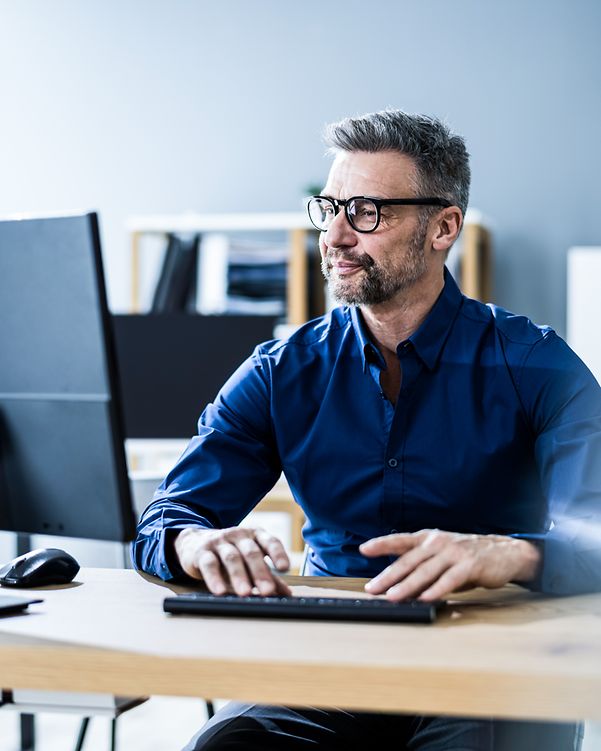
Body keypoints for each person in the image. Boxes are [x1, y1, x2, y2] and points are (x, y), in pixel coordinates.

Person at [132, 110, 600, 750]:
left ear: (444, 227)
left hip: (490, 661)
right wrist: (192, 545)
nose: (336, 234)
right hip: (331, 662)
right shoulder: (280, 373)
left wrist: (510, 553)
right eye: (329, 208)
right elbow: (168, 517)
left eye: (367, 211)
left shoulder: (539, 365)